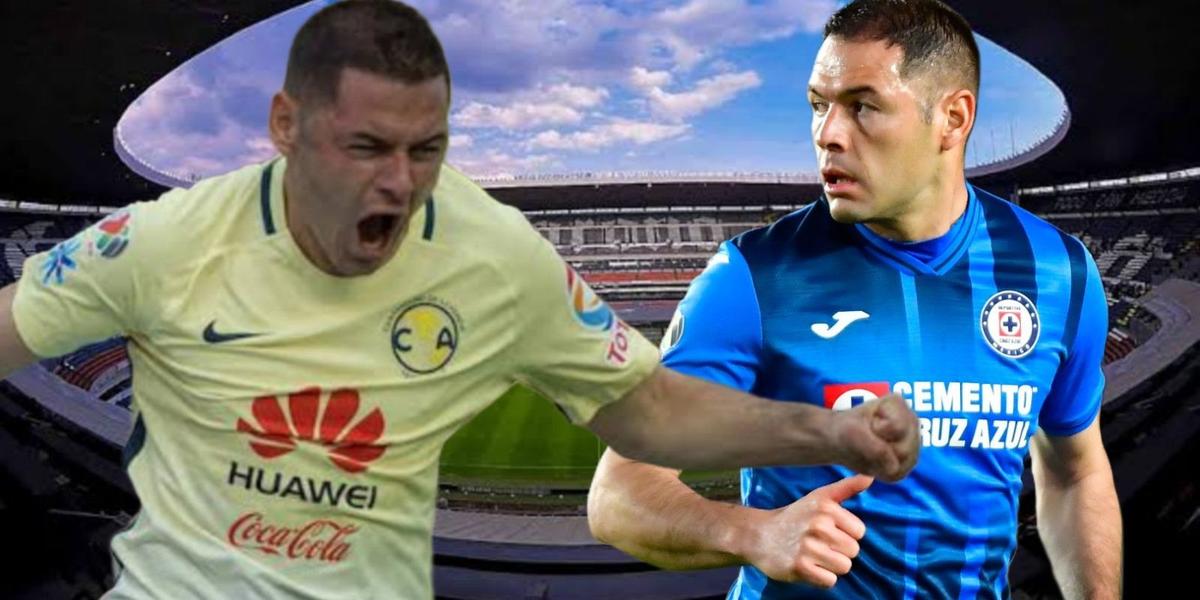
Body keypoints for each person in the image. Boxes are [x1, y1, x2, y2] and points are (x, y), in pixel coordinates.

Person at [0, 1, 920, 598]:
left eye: (425, 148)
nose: (398, 185)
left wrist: (821, 433)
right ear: (286, 127)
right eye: (363, 146)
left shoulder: (491, 254)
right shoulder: (164, 240)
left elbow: (649, 413)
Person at [587, 0, 1122, 598]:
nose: (827, 134)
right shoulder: (753, 277)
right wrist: (752, 533)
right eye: (820, 105)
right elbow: (619, 492)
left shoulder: (1059, 273)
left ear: (953, 118)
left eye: (862, 106)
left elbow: (1075, 473)